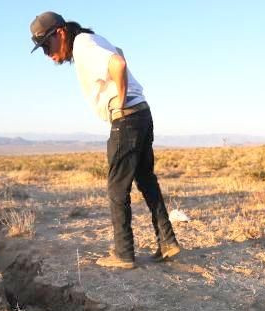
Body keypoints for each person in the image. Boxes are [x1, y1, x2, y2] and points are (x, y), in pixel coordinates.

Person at [29, 11, 181, 270]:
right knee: (146, 180)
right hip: (142, 113)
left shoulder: (83, 44)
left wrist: (119, 101)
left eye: (47, 45)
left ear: (61, 33)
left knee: (117, 188)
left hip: (127, 118)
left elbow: (118, 63)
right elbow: (118, 53)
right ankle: (167, 241)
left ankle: (124, 253)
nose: (47, 54)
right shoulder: (93, 40)